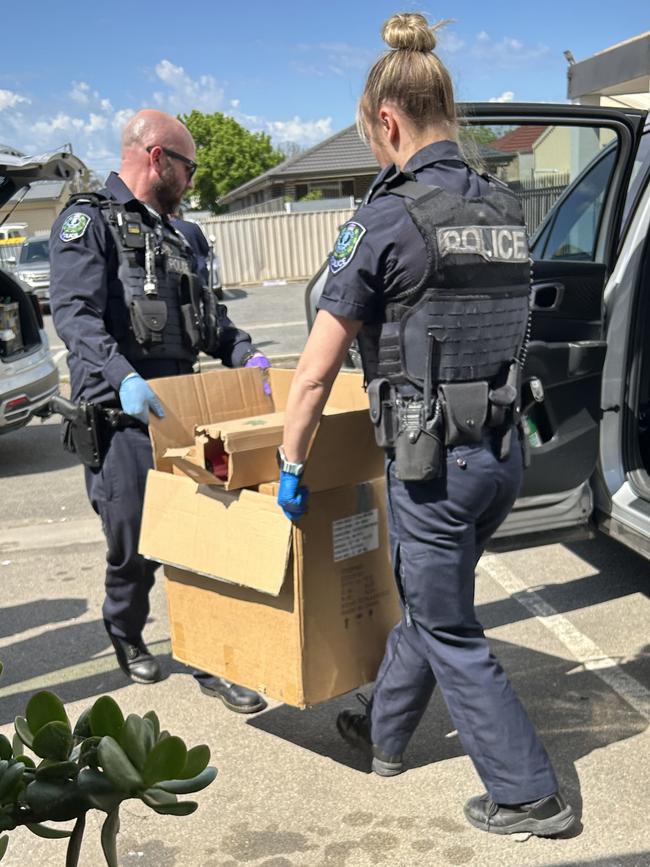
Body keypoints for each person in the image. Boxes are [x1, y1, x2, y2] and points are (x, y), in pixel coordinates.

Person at [277, 13, 575, 837]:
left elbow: (311, 374)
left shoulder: (385, 220)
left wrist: (292, 467)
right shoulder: (509, 206)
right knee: (428, 599)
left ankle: (527, 792)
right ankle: (381, 730)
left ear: (387, 120)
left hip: (432, 468)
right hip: (504, 457)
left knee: (446, 621)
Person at [49, 109, 268, 713]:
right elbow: (76, 317)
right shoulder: (86, 222)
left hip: (186, 415)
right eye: (188, 166)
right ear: (156, 158)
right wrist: (121, 378)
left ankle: (211, 660)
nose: (191, 179)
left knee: (201, 543)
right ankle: (124, 630)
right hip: (121, 419)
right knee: (133, 549)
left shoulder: (185, 236)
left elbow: (211, 320)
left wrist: (244, 352)